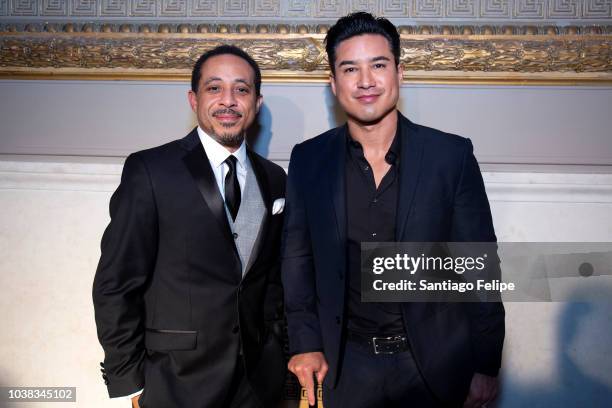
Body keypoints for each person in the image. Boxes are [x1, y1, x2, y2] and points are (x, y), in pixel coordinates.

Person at [281, 12, 505, 408]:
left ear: (399, 73)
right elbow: (297, 261)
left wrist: (486, 364)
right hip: (344, 369)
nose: (365, 81)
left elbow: (479, 268)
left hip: (435, 367)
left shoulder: (450, 156)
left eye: (378, 65)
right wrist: (305, 343)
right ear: (333, 83)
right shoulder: (308, 159)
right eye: (350, 69)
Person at [93, 45, 287, 408]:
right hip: (175, 380)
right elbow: (116, 283)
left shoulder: (275, 179)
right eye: (214, 88)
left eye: (241, 89)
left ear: (256, 103)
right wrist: (128, 379)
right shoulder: (151, 171)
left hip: (260, 385)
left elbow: (273, 281)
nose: (228, 100)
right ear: (193, 98)